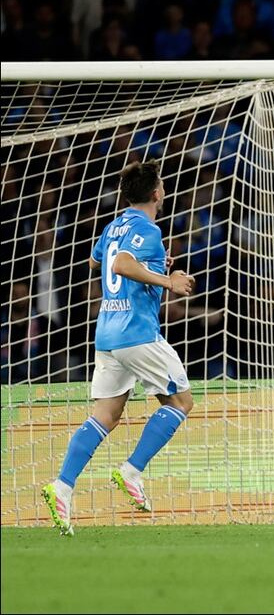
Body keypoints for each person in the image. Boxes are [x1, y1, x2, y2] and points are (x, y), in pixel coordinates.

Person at [42, 161, 197, 536]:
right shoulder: (148, 228)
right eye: (162, 185)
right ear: (157, 193)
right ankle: (131, 471)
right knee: (181, 403)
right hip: (137, 332)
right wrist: (166, 280)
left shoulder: (114, 226)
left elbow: (100, 259)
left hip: (108, 332)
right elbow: (124, 263)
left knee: (107, 415)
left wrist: (153, 263)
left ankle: (61, 486)